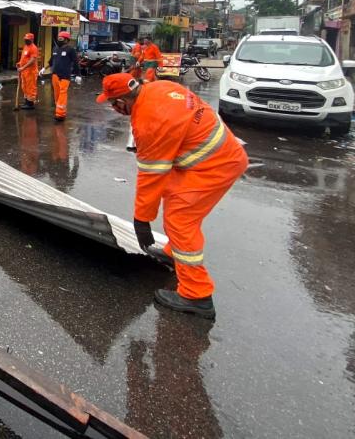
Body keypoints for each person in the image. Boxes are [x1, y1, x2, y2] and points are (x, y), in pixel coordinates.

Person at [97, 73, 248, 320]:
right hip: (219, 156)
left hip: (214, 167)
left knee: (180, 221)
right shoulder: (159, 87)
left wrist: (141, 220)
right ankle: (173, 253)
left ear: (123, 100)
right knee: (174, 198)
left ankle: (196, 294)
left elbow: (151, 175)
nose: (114, 109)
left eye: (114, 103)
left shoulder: (150, 121)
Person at [48, 31, 79, 121]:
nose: (59, 40)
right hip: (55, 75)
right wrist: (43, 68)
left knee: (62, 94)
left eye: (61, 38)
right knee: (56, 94)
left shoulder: (71, 50)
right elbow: (51, 61)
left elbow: (76, 62)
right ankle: (58, 110)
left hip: (64, 76)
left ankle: (60, 114)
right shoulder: (55, 49)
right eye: (59, 38)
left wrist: (78, 74)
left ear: (66, 40)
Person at [16, 33, 39, 110]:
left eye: (27, 40)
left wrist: (23, 67)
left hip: (31, 71)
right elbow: (24, 58)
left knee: (31, 87)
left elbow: (32, 60)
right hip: (24, 71)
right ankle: (26, 101)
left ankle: (30, 104)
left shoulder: (33, 48)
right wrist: (20, 63)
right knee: (24, 86)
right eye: (25, 39)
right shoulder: (26, 46)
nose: (26, 41)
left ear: (32, 40)